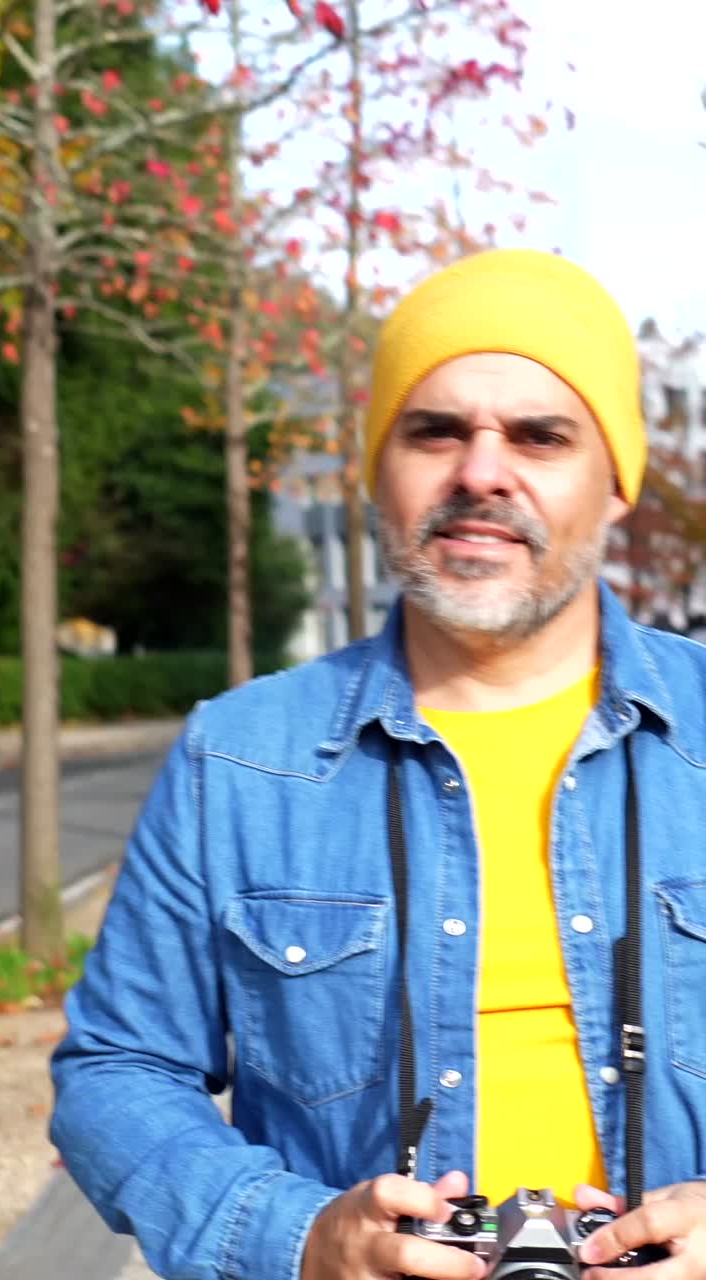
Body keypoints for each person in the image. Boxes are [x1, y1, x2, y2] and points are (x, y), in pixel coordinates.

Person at [51, 249, 706, 1280]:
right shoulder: (239, 757)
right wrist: (294, 1235)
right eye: (435, 429)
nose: (482, 471)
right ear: (378, 471)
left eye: (541, 435)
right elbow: (119, 1068)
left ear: (616, 483)